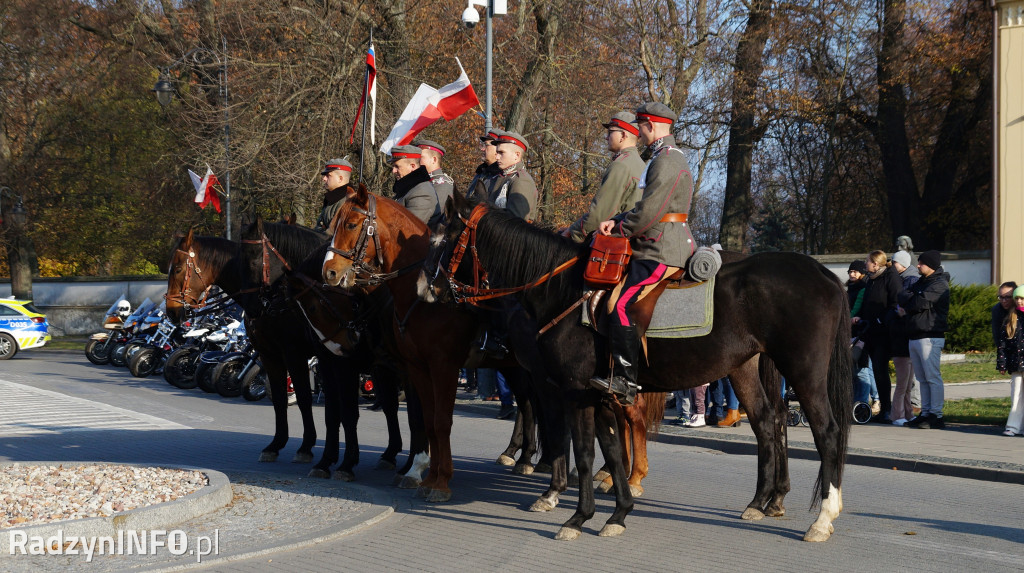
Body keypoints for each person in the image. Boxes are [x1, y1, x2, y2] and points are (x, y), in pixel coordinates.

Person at [590, 102, 695, 405]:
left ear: (649, 125)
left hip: (662, 248)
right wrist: (618, 220)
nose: (639, 132)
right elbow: (642, 208)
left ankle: (626, 381)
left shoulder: (667, 159)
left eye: (641, 126)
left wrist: (622, 230)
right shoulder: (662, 157)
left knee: (620, 303)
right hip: (655, 242)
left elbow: (650, 211)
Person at [566, 111, 645, 242]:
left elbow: (600, 215)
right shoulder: (641, 165)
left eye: (610, 132)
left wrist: (573, 231)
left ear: (623, 136)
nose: (606, 137)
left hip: (612, 245)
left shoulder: (621, 165)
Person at [897, 250, 951, 429]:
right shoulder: (923, 281)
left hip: (930, 335)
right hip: (915, 334)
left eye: (921, 263)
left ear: (931, 265)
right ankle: (926, 412)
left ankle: (936, 414)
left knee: (932, 377)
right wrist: (912, 301)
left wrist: (910, 303)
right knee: (922, 378)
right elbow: (902, 295)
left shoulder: (939, 283)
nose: (918, 265)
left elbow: (920, 302)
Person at [853, 250, 901, 423]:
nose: (865, 263)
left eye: (867, 261)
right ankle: (882, 408)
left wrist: (882, 320)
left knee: (880, 371)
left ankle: (887, 409)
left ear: (875, 263)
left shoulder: (890, 277)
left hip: (883, 333)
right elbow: (867, 304)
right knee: (875, 371)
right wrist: (861, 318)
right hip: (870, 332)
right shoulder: (870, 281)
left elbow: (896, 303)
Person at [888, 249, 920, 426]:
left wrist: (901, 313)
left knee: (905, 385)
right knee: (903, 384)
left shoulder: (910, 280)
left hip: (905, 337)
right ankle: (899, 415)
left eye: (895, 263)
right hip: (902, 340)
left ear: (903, 264)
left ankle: (905, 414)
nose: (893, 266)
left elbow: (903, 306)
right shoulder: (904, 279)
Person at [490, 131, 539, 222]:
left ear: (517, 155)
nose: (497, 157)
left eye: (501, 153)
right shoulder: (498, 177)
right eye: (497, 152)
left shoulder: (521, 181)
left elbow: (515, 225)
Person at [387, 144, 442, 227]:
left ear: (412, 166)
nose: (394, 171)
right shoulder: (408, 189)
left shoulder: (422, 193)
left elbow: (407, 228)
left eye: (397, 166)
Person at [847, 260, 877, 407]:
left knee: (862, 370)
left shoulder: (863, 288)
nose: (852, 274)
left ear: (862, 273)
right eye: (850, 272)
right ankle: (855, 403)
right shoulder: (850, 289)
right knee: (853, 370)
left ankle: (863, 404)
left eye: (855, 272)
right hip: (850, 332)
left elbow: (857, 308)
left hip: (861, 331)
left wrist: (848, 319)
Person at [996, 285, 1024, 436]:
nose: (1019, 301)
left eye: (1022, 298)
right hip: (1016, 363)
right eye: (1017, 298)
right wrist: (1002, 363)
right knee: (1017, 395)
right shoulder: (1011, 319)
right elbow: (1003, 344)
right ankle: (1013, 426)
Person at [412, 137, 455, 209]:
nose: (415, 162)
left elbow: (435, 217)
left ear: (434, 160)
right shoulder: (420, 181)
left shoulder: (442, 185)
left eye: (420, 158)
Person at [313, 158, 353, 233]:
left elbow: (334, 235)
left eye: (328, 176)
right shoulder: (332, 198)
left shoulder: (348, 201)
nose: (324, 179)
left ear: (340, 179)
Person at [466, 129, 503, 201]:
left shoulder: (501, 176)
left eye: (486, 145)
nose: (482, 149)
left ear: (497, 148)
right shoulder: (481, 172)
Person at [992, 281, 1018, 349]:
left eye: (1007, 297)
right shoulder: (997, 310)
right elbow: (997, 336)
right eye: (1001, 297)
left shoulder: (1020, 310)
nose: (1004, 301)